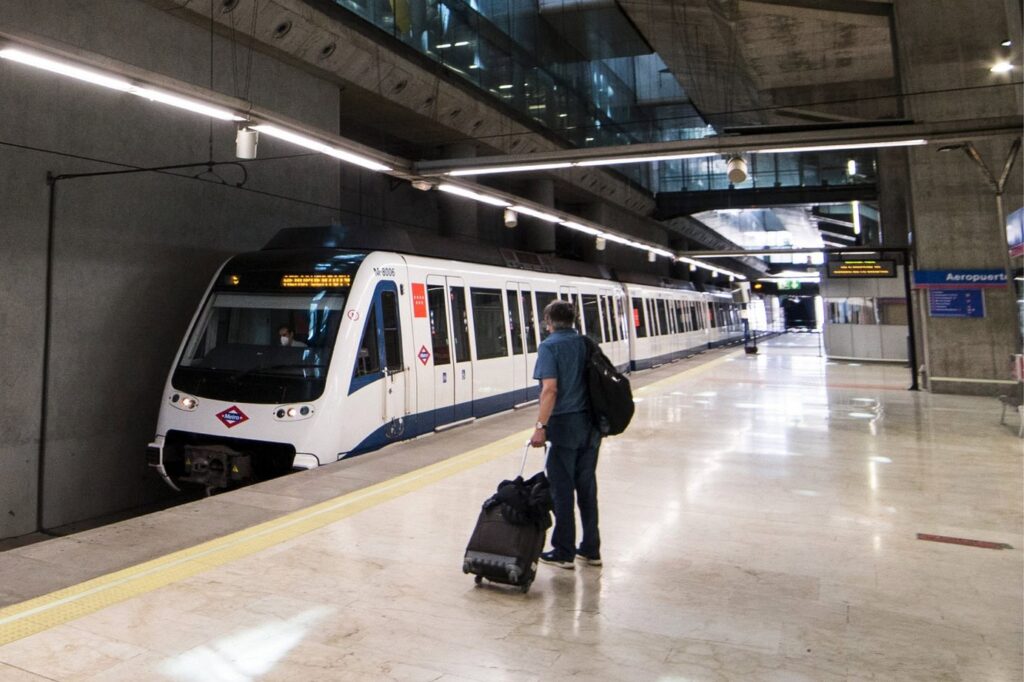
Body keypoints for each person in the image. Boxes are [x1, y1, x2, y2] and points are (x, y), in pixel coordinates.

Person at [530, 300, 602, 570]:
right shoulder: (586, 343)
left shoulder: (550, 346)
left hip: (564, 428)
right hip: (591, 428)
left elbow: (550, 390)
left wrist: (540, 427)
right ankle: (591, 549)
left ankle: (563, 551)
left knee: (562, 491)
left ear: (548, 321)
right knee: (587, 488)